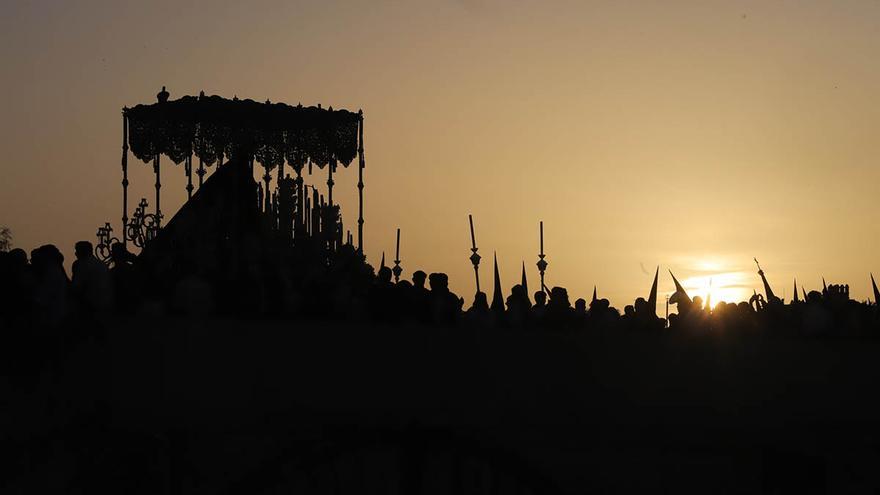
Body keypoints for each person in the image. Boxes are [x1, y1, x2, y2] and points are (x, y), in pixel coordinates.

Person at [71, 241, 113, 315]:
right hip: (106, 305)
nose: (75, 254)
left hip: (90, 307)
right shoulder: (102, 264)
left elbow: (77, 287)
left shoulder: (82, 265)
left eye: (77, 251)